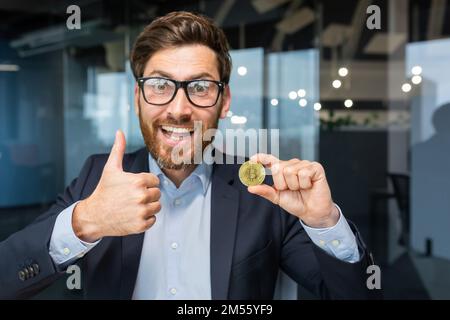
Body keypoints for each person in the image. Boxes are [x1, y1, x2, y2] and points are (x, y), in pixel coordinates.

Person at [0, 11, 375, 300]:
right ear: (137, 98)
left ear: (224, 101)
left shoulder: (264, 191)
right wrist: (83, 222)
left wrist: (324, 221)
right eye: (160, 85)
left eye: (199, 87)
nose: (179, 109)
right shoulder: (95, 177)